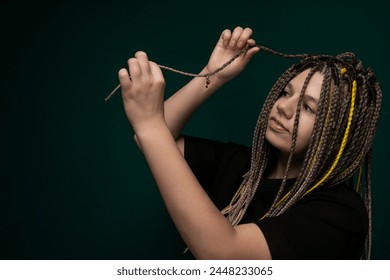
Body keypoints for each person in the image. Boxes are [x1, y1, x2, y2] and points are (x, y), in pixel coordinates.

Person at [117, 27, 382, 259]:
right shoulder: (242, 165)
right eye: (286, 92)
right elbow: (153, 141)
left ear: (338, 134)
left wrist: (150, 124)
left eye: (309, 108)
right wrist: (212, 75)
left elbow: (224, 255)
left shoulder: (339, 214)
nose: (283, 107)